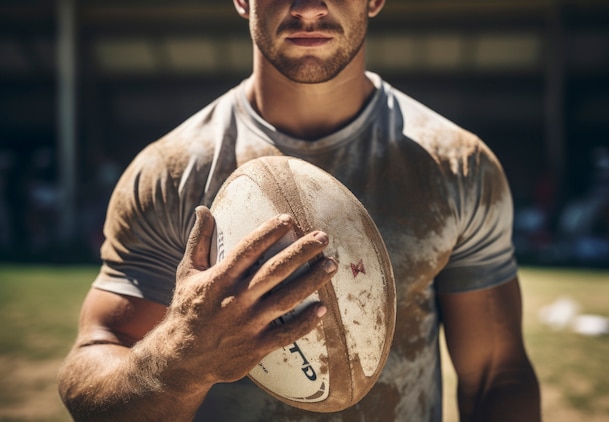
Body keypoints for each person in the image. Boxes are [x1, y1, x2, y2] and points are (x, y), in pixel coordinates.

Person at [58, 0, 541, 420]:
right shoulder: (169, 173)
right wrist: (181, 360)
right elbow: (92, 372)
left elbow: (495, 374)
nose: (309, 7)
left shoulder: (458, 166)